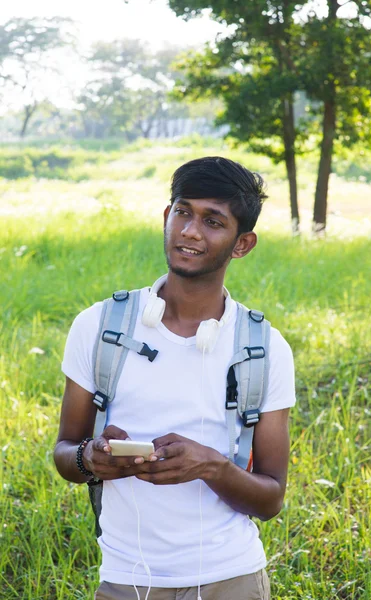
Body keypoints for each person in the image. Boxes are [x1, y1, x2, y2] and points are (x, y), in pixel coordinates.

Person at [54, 156, 296, 600]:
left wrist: (211, 466)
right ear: (166, 217)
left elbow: (270, 499)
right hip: (126, 578)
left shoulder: (264, 348)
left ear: (242, 245)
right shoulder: (100, 326)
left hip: (233, 578)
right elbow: (64, 453)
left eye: (213, 221)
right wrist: (93, 457)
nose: (189, 231)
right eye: (182, 212)